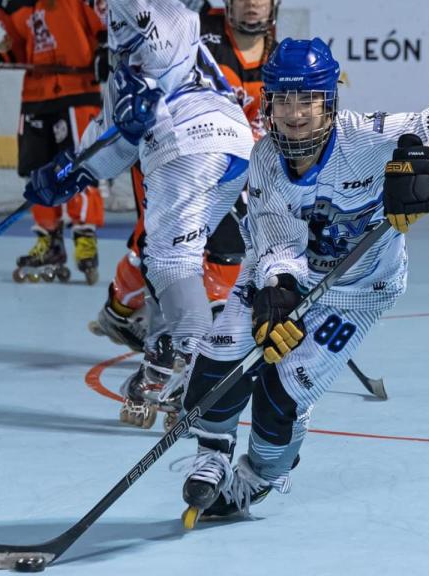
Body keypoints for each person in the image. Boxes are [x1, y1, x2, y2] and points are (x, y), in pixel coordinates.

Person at [170, 38, 429, 528]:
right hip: (283, 278)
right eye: (283, 99)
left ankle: (255, 478)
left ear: (330, 101)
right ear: (269, 102)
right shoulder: (263, 160)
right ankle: (213, 449)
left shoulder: (371, 139)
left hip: (357, 291)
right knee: (211, 375)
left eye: (308, 99)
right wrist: (277, 290)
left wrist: (425, 166)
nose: (295, 113)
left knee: (280, 396)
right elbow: (280, 242)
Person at [22, 2, 255, 424]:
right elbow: (120, 131)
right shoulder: (122, 33)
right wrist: (70, 173)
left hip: (190, 143)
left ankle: (202, 368)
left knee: (170, 262)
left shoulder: (149, 12)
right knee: (169, 259)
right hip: (231, 144)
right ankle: (165, 356)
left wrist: (146, 85)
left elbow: (160, 49)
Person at [89, 0, 279, 360]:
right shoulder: (196, 34)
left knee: (192, 243)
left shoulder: (274, 54)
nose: (253, 3)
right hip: (170, 150)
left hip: (228, 160)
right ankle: (171, 340)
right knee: (163, 244)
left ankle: (123, 309)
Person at [0, 0, 110, 284]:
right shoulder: (11, 4)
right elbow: (16, 44)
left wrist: (106, 50)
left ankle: (84, 236)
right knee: (37, 172)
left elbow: (104, 25)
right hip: (35, 98)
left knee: (81, 167)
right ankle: (48, 240)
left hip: (77, 91)